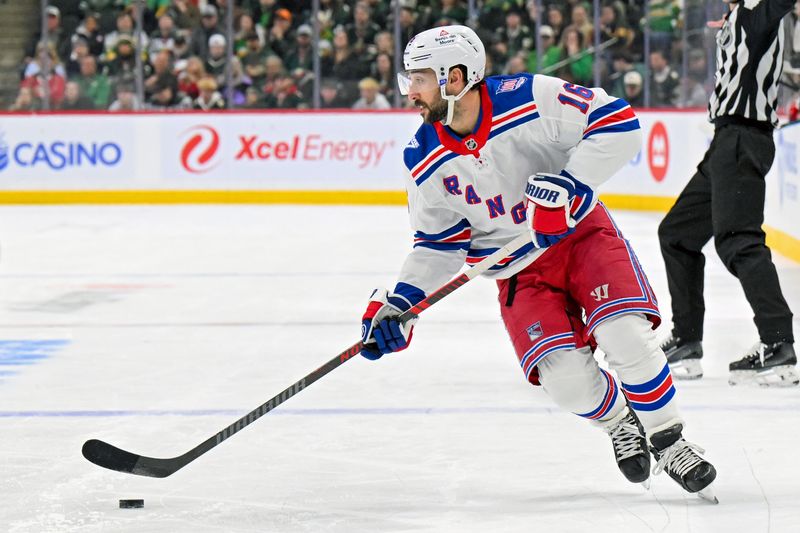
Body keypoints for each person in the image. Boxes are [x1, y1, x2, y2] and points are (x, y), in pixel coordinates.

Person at [360, 24, 718, 500]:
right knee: (567, 385)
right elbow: (438, 243)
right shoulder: (422, 155)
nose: (411, 92)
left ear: (457, 76)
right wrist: (401, 304)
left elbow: (617, 123)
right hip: (518, 271)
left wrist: (569, 187)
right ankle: (620, 421)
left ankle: (670, 441)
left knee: (624, 335)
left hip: (580, 236)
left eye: (421, 79)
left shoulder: (528, 97)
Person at [658, 0, 798, 387]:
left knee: (739, 241)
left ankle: (778, 344)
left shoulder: (757, 10)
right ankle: (687, 340)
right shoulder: (739, 15)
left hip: (742, 138)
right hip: (727, 142)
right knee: (677, 235)